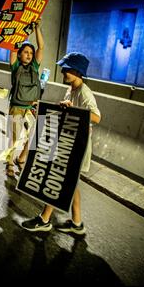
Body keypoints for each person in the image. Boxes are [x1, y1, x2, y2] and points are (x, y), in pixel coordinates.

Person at [21, 52, 101, 235]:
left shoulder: (84, 91)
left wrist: (75, 109)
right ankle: (77, 223)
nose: (63, 71)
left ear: (77, 71)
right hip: (70, 141)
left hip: (78, 146)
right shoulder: (71, 89)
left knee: (59, 179)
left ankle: (44, 219)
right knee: (71, 183)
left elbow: (96, 117)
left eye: (66, 69)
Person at [5, 19, 44, 177]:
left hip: (32, 107)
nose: (29, 55)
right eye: (26, 52)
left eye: (31, 53)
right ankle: (9, 162)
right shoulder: (15, 66)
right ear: (20, 54)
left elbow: (41, 46)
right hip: (16, 106)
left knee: (33, 136)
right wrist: (24, 30)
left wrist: (36, 28)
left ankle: (21, 158)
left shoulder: (35, 66)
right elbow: (12, 48)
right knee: (14, 137)